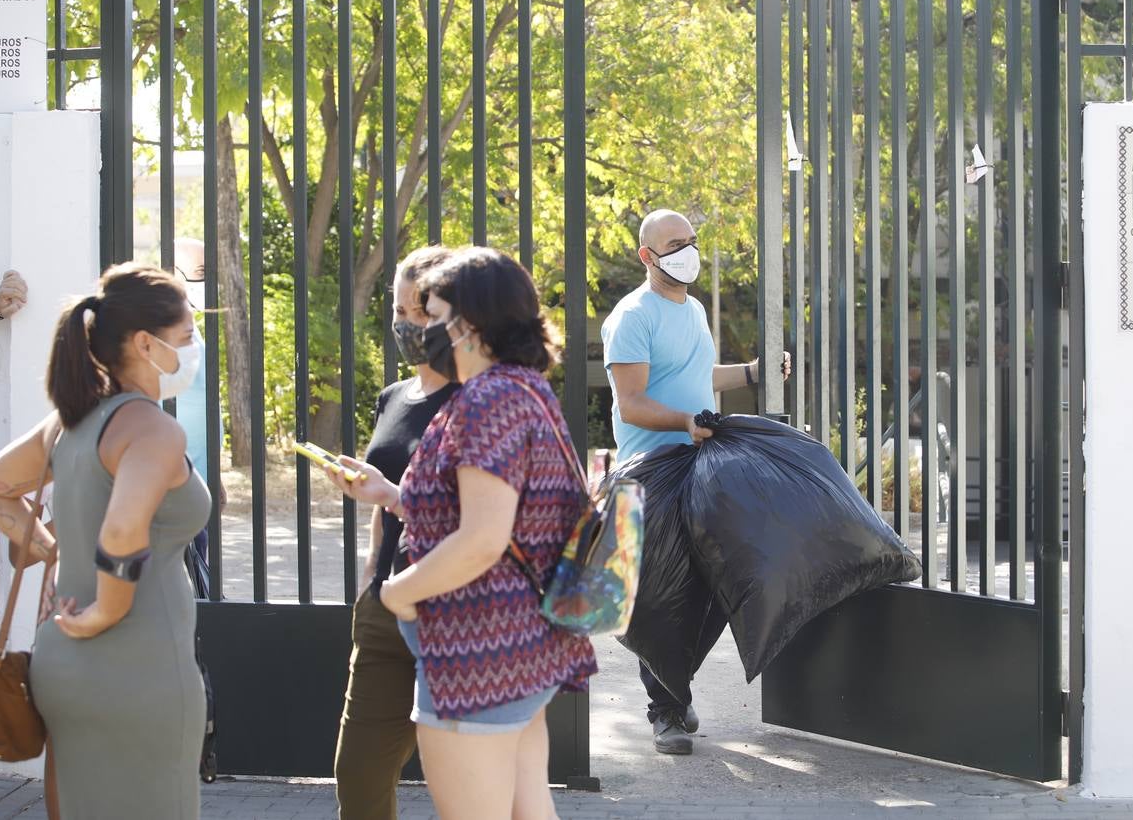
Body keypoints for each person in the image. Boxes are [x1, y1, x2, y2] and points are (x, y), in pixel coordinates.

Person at [325, 246, 597, 820]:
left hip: (474, 650)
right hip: (522, 645)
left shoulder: (484, 402)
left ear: (473, 326)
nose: (426, 330)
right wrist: (397, 497)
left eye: (438, 317)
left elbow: (482, 539)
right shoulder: (526, 389)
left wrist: (398, 593)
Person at [0, 263, 208, 818]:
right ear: (145, 343)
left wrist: (45, 546)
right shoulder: (153, 429)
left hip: (62, 669)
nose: (194, 349)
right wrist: (106, 612)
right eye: (187, 337)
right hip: (140, 669)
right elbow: (121, 528)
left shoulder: (67, 423)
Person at [601, 208, 789, 756]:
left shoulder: (696, 309)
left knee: (716, 585)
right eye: (674, 243)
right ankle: (665, 711)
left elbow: (694, 374)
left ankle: (674, 690)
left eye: (690, 240)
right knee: (659, 599)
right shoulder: (632, 315)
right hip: (651, 472)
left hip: (703, 466)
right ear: (647, 256)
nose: (687, 250)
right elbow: (631, 404)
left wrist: (752, 373)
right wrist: (684, 422)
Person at [334, 245, 458, 819]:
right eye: (399, 310)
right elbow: (384, 507)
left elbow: (479, 517)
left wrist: (393, 496)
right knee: (358, 774)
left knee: (462, 784)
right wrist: (368, 583)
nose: (406, 324)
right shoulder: (394, 398)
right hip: (386, 604)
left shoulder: (480, 399)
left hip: (454, 611)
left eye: (420, 311)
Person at [170, 237, 225, 570]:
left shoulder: (192, 330)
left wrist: (214, 475)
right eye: (201, 271)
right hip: (175, 481)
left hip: (198, 476)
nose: (208, 280)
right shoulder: (163, 332)